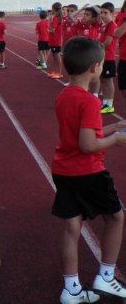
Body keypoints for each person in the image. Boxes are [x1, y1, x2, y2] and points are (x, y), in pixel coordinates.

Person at [51, 37, 126, 304]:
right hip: (88, 171)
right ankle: (106, 276)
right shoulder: (91, 102)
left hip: (64, 169)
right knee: (116, 218)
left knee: (72, 225)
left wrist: (112, 128)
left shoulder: (65, 95)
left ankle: (71, 288)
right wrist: (116, 140)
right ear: (95, 67)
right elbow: (88, 145)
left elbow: (80, 136)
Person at [97, 2, 117, 113]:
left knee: (108, 81)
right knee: (103, 79)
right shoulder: (103, 25)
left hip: (108, 57)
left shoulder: (112, 25)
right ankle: (105, 103)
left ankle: (110, 104)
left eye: (105, 13)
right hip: (102, 56)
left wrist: (97, 48)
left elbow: (108, 42)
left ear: (112, 13)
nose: (103, 15)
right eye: (101, 13)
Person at [48, 3, 64, 79]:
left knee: (57, 56)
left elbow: (53, 30)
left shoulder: (56, 18)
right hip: (54, 40)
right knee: (54, 56)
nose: (51, 9)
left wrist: (48, 30)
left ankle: (59, 73)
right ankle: (56, 71)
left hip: (55, 40)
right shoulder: (57, 17)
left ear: (54, 9)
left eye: (52, 8)